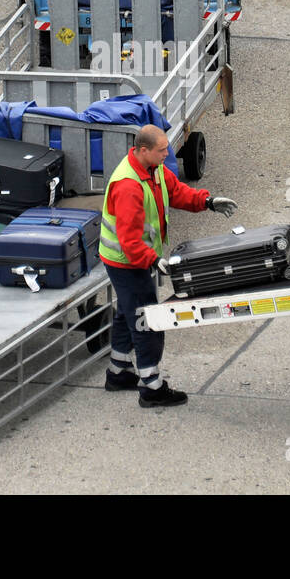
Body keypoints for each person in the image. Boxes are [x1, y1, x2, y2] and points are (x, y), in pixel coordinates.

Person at [98, 124, 237, 408]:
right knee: (147, 319)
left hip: (133, 259)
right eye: (162, 150)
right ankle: (152, 387)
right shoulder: (128, 186)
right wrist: (154, 261)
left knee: (128, 311)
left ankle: (118, 371)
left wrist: (207, 201)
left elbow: (177, 193)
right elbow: (129, 241)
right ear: (143, 150)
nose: (168, 154)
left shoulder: (154, 169)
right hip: (127, 262)